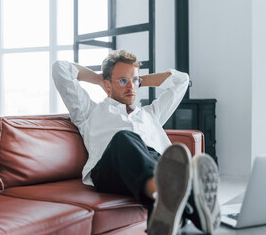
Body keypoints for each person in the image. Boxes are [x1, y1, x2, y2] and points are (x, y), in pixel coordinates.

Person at [52, 50, 221, 235]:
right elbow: (61, 69)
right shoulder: (88, 112)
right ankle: (173, 193)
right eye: (123, 81)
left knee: (166, 160)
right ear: (108, 84)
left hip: (156, 165)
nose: (131, 87)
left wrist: (138, 79)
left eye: (134, 81)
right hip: (110, 168)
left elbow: (181, 81)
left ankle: (184, 211)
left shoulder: (150, 114)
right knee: (124, 138)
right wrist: (99, 79)